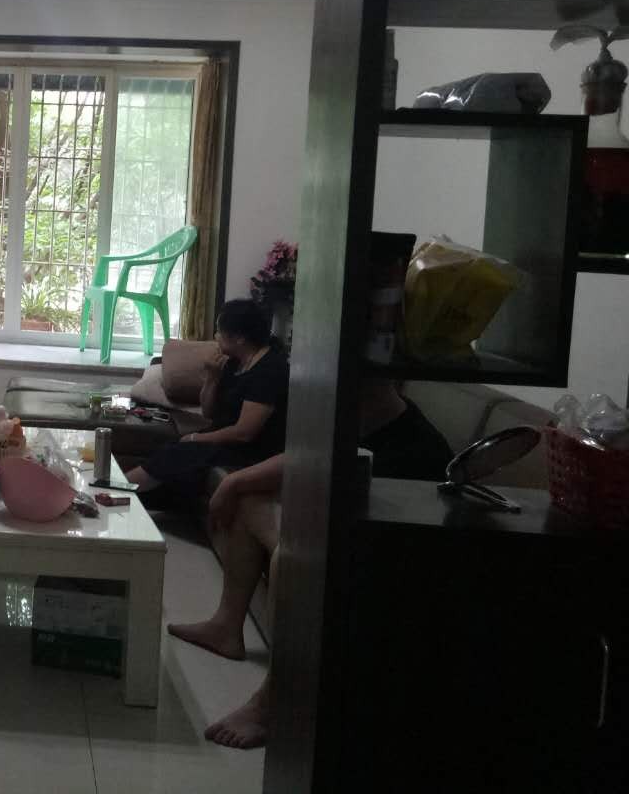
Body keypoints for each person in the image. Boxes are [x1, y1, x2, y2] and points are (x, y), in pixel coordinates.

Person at [170, 379, 452, 749]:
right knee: (249, 501)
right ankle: (226, 627)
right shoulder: (365, 422)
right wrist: (235, 483)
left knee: (294, 556)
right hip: (344, 538)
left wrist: (234, 481)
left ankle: (271, 702)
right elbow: (306, 454)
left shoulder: (413, 448)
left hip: (385, 560)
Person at [124, 299, 290, 505]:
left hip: (251, 450)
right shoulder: (233, 362)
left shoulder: (269, 371)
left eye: (219, 331)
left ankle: (114, 491)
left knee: (179, 453)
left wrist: (196, 438)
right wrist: (212, 377)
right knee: (169, 452)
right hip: (225, 440)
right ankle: (127, 498)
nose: (215, 337)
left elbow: (244, 433)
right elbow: (209, 412)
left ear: (239, 338)